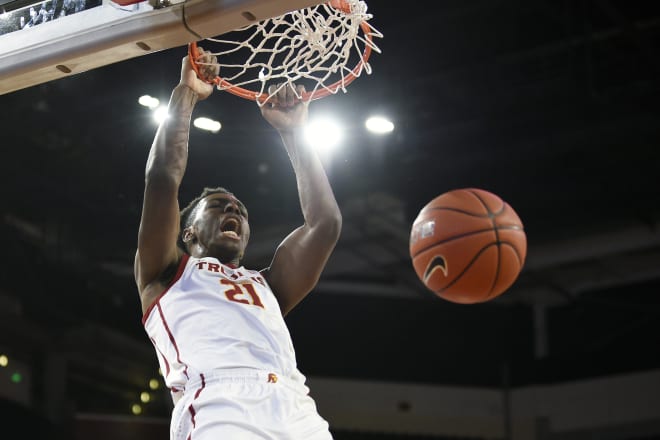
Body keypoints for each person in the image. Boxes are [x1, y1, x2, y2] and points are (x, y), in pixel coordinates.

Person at [134, 47, 341, 439]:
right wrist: (186, 94)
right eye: (218, 206)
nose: (234, 210)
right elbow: (162, 178)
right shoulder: (165, 272)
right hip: (220, 404)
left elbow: (325, 224)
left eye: (240, 210)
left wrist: (294, 133)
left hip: (296, 407)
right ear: (188, 231)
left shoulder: (268, 286)